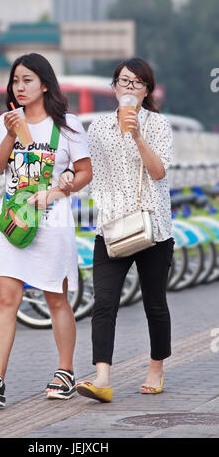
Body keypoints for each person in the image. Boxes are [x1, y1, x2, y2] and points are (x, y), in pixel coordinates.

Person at [0, 53, 92, 407]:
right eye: (15, 81)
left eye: (27, 80)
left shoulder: (68, 125)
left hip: (52, 223)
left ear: (44, 84)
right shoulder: (5, 121)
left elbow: (85, 172)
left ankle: (65, 371)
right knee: (7, 298)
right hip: (11, 221)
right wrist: (9, 135)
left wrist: (62, 188)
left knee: (56, 298)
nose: (19, 87)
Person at [59, 57, 174, 402]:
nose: (129, 88)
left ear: (147, 91)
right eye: (123, 82)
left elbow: (158, 173)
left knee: (154, 303)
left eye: (137, 83)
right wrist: (68, 177)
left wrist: (138, 134)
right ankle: (102, 377)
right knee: (104, 302)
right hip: (110, 227)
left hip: (152, 226)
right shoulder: (98, 129)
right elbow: (88, 171)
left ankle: (156, 366)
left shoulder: (159, 125)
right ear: (113, 87)